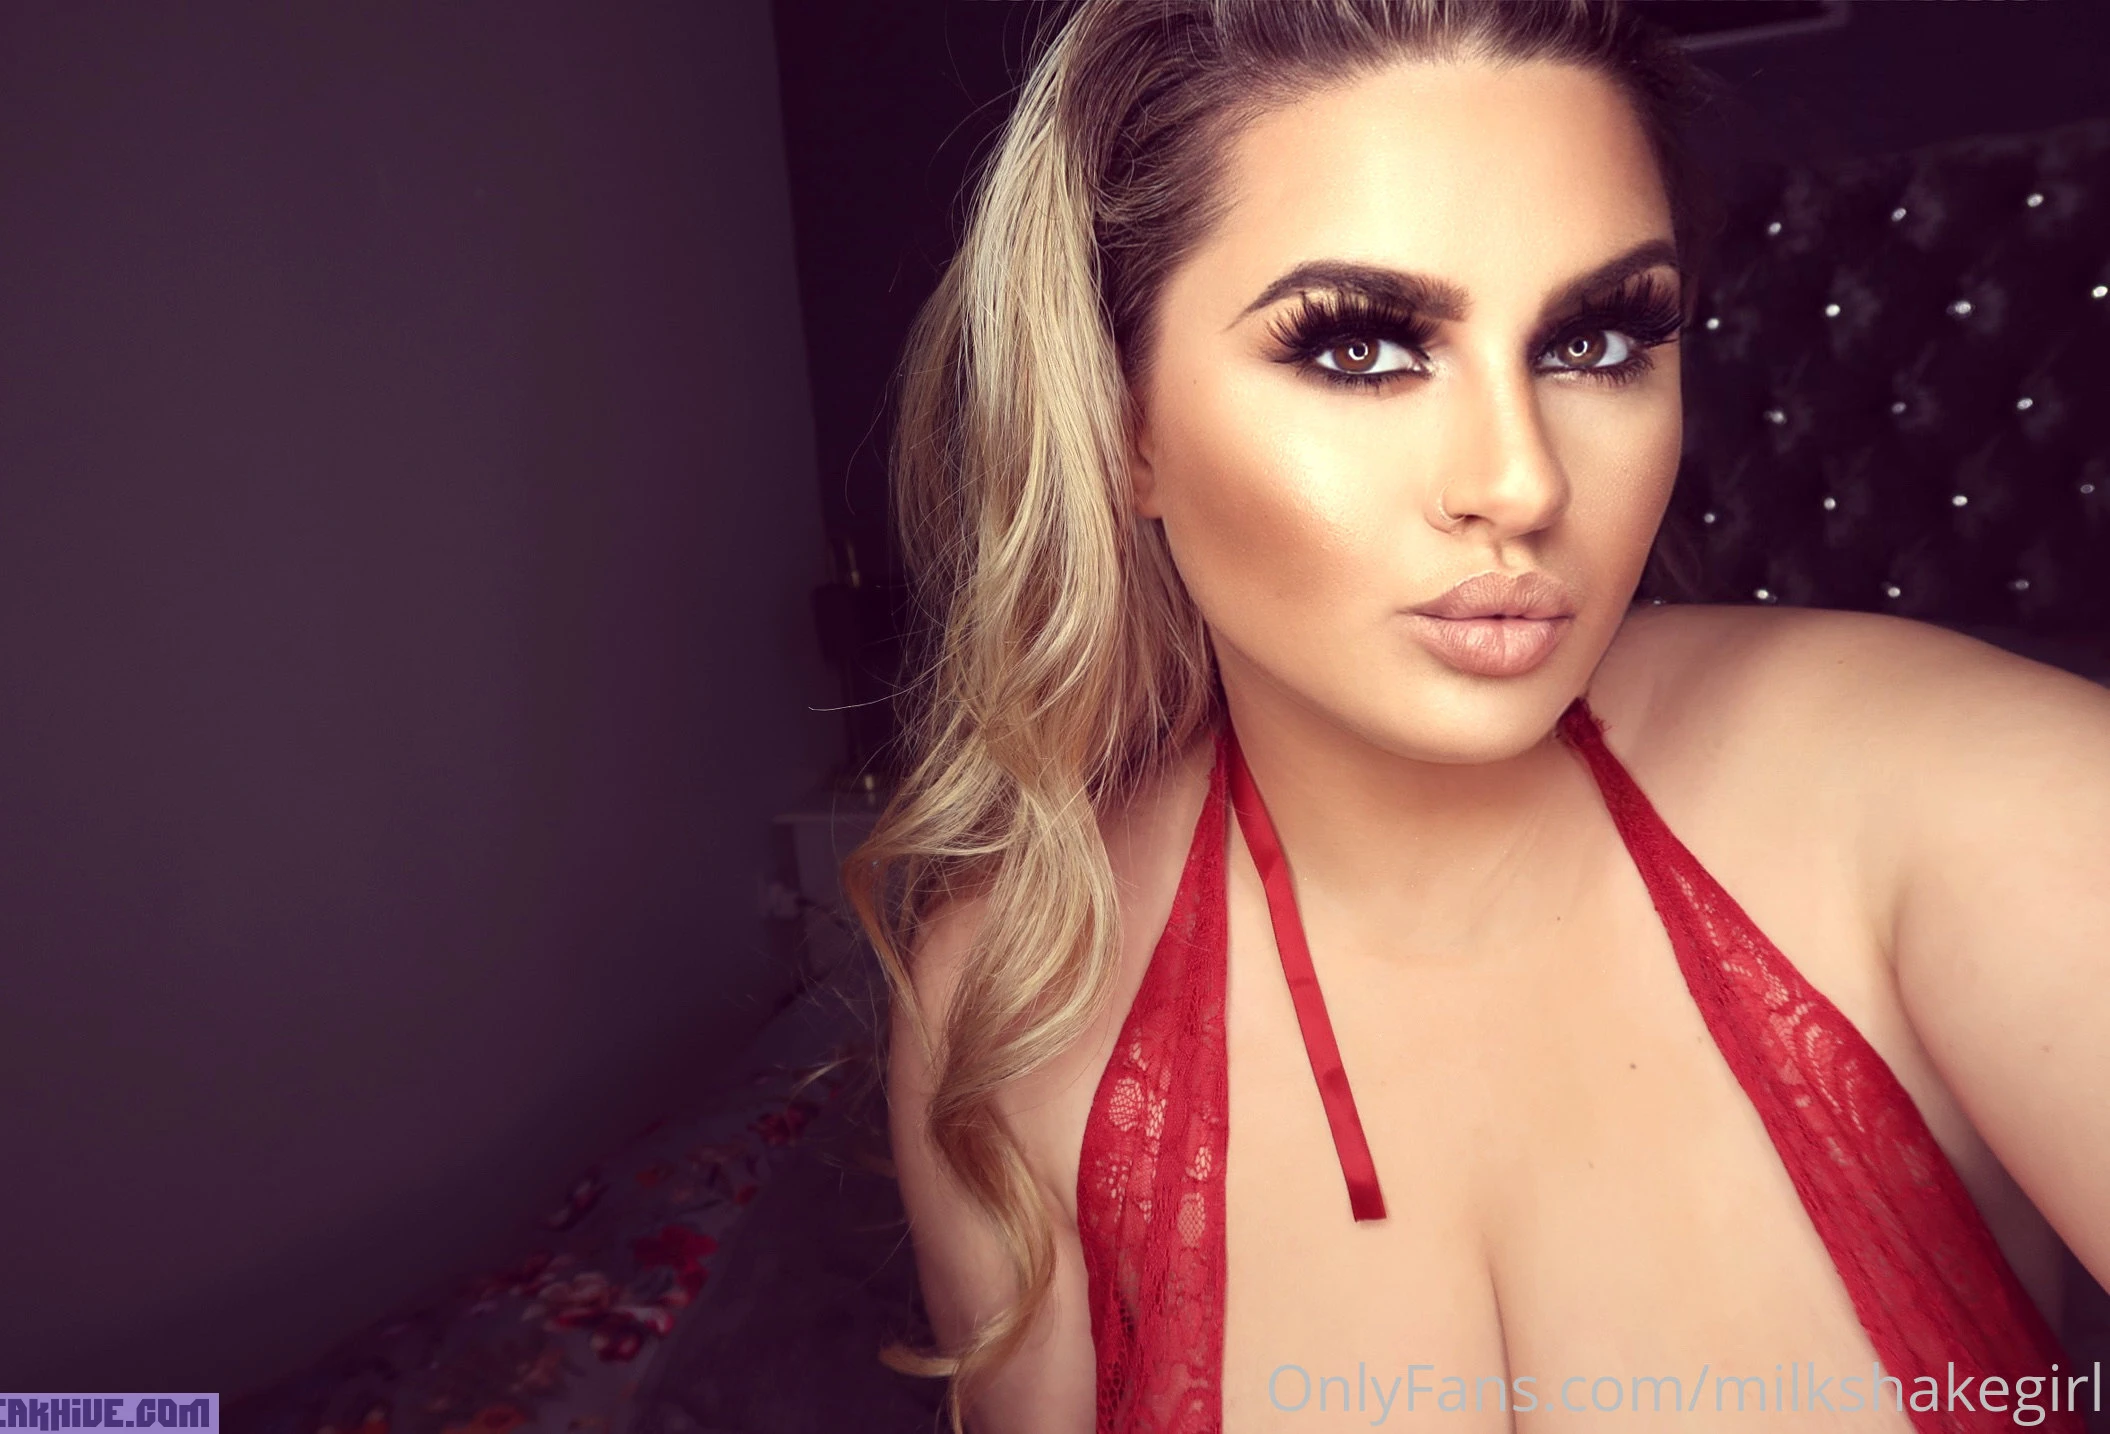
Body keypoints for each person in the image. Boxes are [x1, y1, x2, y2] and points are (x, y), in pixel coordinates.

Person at [844, 2, 2110, 1430]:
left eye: (1594, 341)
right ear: (1121, 421)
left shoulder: (1975, 797)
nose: (1522, 482)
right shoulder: (1010, 997)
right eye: (1358, 351)